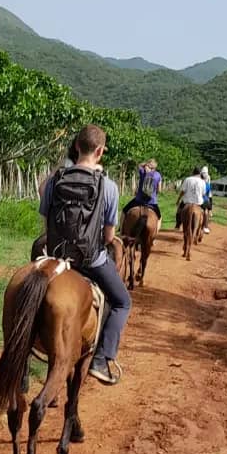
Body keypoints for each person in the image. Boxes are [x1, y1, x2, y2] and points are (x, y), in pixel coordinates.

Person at [40, 124, 132, 386]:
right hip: (91, 260)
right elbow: (107, 237)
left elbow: (46, 222)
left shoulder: (55, 180)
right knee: (123, 302)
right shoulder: (109, 187)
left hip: (56, 257)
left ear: (76, 146)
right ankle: (102, 359)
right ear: (100, 151)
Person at [200, 166, 213, 233]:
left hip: (196, 199)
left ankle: (178, 224)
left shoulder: (198, 179)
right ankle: (205, 226)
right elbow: (209, 195)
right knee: (206, 212)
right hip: (203, 200)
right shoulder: (207, 183)